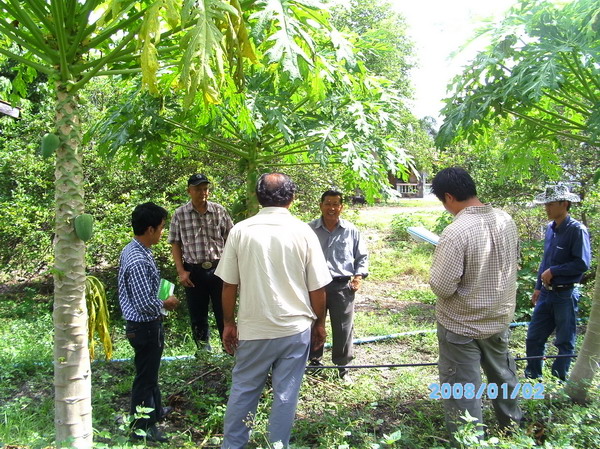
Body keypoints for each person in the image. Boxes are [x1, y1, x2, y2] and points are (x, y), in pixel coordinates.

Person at [215, 173, 332, 449]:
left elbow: (229, 285)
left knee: (244, 391)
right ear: (292, 198)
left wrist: (229, 323)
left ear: (258, 197)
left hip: (253, 329)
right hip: (294, 330)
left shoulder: (241, 231)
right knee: (285, 396)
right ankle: (278, 445)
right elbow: (318, 288)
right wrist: (319, 324)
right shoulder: (303, 231)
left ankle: (233, 445)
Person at [429, 167, 522, 437]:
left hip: (461, 325)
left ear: (448, 197)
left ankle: (469, 440)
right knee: (503, 377)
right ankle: (513, 430)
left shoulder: (456, 232)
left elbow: (442, 287)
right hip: (498, 319)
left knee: (462, 389)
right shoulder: (506, 219)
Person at [118, 202, 180, 442]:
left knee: (150, 372)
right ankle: (141, 426)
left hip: (145, 326)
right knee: (145, 377)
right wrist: (167, 302)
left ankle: (155, 411)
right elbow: (144, 303)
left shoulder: (136, 249)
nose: (163, 232)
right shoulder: (138, 260)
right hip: (144, 327)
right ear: (150, 229)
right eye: (162, 227)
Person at [525, 183, 591, 381]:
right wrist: (538, 288)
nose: (547, 208)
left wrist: (555, 271)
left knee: (564, 341)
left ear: (564, 204)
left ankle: (558, 380)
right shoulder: (550, 229)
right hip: (546, 293)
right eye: (546, 204)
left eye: (551, 204)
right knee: (534, 337)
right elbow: (545, 261)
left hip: (565, 293)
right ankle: (534, 378)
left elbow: (582, 263)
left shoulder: (577, 230)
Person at [307, 190, 368, 381]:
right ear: (321, 205)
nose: (331, 208)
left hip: (341, 285)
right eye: (327, 203)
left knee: (343, 328)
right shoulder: (309, 230)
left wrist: (358, 276)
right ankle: (314, 361)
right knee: (313, 323)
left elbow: (362, 256)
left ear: (341, 207)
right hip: (314, 285)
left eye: (335, 204)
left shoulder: (350, 230)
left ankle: (343, 367)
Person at [168, 173, 234, 351]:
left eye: (205, 189)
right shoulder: (180, 214)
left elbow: (231, 239)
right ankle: (203, 352)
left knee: (224, 312)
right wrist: (181, 271)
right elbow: (175, 243)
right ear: (189, 191)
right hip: (193, 271)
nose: (202, 192)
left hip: (219, 269)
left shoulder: (219, 211)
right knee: (198, 315)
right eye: (198, 189)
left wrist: (232, 267)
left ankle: (229, 350)